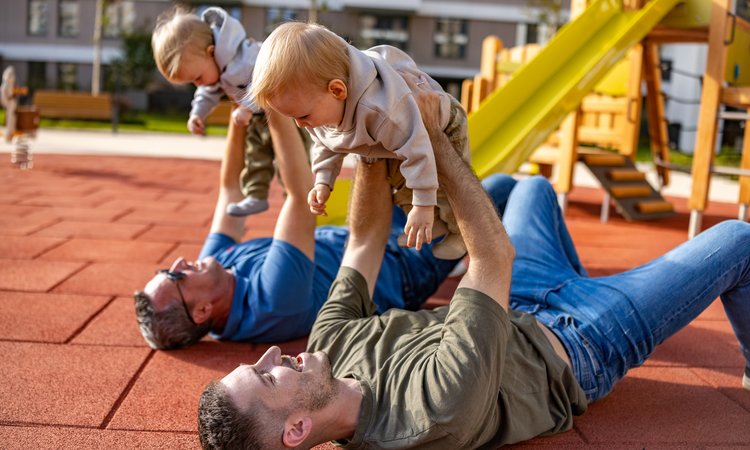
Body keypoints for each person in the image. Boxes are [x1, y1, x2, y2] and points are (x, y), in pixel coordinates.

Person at [197, 79, 750, 449]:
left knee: (534, 186)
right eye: (266, 376)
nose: (273, 355)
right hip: (585, 341)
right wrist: (427, 134)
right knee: (737, 239)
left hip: (517, 298)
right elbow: (490, 257)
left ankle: (592, 281)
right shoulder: (428, 413)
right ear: (297, 428)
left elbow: (365, 241)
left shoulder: (327, 345)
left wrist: (364, 135)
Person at [133, 114, 473, 350]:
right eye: (174, 277)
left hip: (363, 232)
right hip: (403, 264)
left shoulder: (211, 271)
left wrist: (238, 121)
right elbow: (298, 193)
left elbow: (230, 192)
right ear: (202, 311)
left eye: (167, 269)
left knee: (415, 160)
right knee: (495, 191)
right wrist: (273, 108)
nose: (178, 262)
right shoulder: (272, 301)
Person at [250, 22, 469, 259]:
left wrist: (423, 206)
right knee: (402, 181)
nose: (300, 124)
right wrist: (323, 181)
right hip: (399, 141)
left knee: (449, 182)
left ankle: (461, 234)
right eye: (292, 117)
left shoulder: (381, 110)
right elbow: (326, 142)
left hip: (440, 125)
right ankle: (433, 223)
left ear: (337, 91)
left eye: (302, 116)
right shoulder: (319, 105)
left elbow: (417, 152)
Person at [152, 5, 289, 217]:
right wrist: (197, 114)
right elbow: (207, 92)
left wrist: (246, 107)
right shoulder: (215, 67)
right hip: (258, 115)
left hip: (287, 112)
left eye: (197, 77)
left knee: (287, 156)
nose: (198, 84)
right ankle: (256, 195)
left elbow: (268, 79)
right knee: (255, 154)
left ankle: (296, 193)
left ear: (211, 53)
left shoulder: (244, 58)